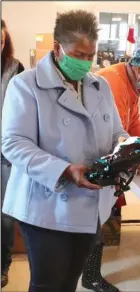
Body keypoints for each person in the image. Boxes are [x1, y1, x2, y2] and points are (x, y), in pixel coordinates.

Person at [1, 10, 140, 291]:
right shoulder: (25, 86)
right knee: (48, 284)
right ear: (58, 48)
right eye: (78, 54)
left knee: (70, 280)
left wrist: (129, 150)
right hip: (46, 206)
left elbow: (116, 132)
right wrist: (64, 170)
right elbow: (13, 143)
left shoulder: (100, 86)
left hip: (91, 204)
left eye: (90, 56)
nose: (85, 62)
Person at [81, 40, 140, 292]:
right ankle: (90, 276)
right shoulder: (114, 83)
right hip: (97, 157)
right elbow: (115, 137)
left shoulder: (131, 83)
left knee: (99, 216)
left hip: (108, 156)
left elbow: (133, 122)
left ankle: (89, 271)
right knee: (93, 218)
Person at [1, 18, 25, 289]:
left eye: (2, 42)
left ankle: (3, 264)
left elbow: (24, 109)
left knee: (5, 213)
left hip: (5, 150)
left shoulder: (14, 68)